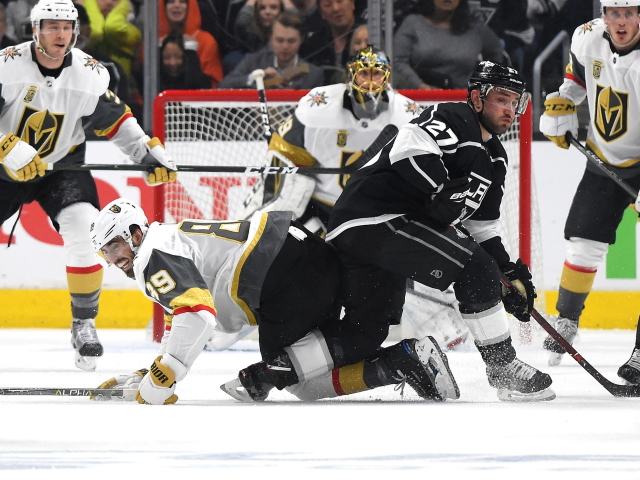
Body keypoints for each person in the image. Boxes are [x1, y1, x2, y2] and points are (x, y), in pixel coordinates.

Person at [324, 60, 556, 402]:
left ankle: (279, 369)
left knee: (366, 331)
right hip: (374, 218)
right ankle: (502, 366)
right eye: (501, 99)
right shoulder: (454, 117)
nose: (510, 110)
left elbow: (481, 226)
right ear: (477, 99)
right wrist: (441, 189)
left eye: (514, 102)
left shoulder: (495, 159)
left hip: (380, 230)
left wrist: (506, 271)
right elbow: (408, 149)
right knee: (473, 267)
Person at [215, 46, 470, 354]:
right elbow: (284, 151)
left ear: (388, 77)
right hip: (319, 204)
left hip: (371, 211)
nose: (371, 80)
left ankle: (439, 322)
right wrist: (287, 180)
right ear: (351, 75)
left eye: (377, 73)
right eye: (364, 72)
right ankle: (229, 320)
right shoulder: (318, 105)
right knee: (271, 245)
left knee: (401, 259)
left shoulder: (408, 114)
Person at [90, 198, 459, 404]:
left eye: (115, 245)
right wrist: (154, 369)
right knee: (312, 362)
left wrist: (167, 373)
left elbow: (197, 315)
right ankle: (408, 361)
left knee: (297, 380)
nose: (113, 258)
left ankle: (401, 362)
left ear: (135, 233)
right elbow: (183, 315)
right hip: (300, 255)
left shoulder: (148, 256)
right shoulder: (166, 239)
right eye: (106, 253)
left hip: (282, 278)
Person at [0, 0, 177, 371]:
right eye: (51, 26)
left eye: (66, 27)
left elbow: (117, 121)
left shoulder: (89, 73)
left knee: (86, 230)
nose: (59, 34)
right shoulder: (6, 66)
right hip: (3, 170)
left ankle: (84, 323)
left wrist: (146, 153)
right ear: (35, 30)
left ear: (76, 31)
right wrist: (5, 146)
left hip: (62, 168)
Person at [538, 1, 640, 370]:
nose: (622, 21)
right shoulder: (586, 38)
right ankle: (565, 320)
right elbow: (575, 83)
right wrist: (562, 106)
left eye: (630, 13)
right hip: (603, 154)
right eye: (615, 13)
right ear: (604, 14)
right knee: (583, 242)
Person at [393, 0, 504, 90]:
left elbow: (496, 56)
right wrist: (419, 85)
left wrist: (483, 85)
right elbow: (397, 60)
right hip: (420, 97)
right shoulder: (413, 23)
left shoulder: (477, 30)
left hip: (463, 99)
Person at [218, 10, 324, 89]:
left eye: (291, 41)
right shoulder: (252, 62)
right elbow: (223, 86)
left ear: (301, 39)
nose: (285, 46)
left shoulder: (314, 74)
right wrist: (256, 78)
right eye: (279, 40)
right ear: (270, 38)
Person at [158, 0, 224, 88]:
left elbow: (212, 85)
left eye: (182, 2)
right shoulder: (153, 40)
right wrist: (158, 50)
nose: (177, 5)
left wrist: (190, 49)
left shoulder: (206, 41)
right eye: (171, 2)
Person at [300, 0, 360, 84]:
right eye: (328, 5)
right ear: (321, 13)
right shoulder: (314, 44)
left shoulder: (367, 37)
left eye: (340, 1)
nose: (336, 8)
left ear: (352, 3)